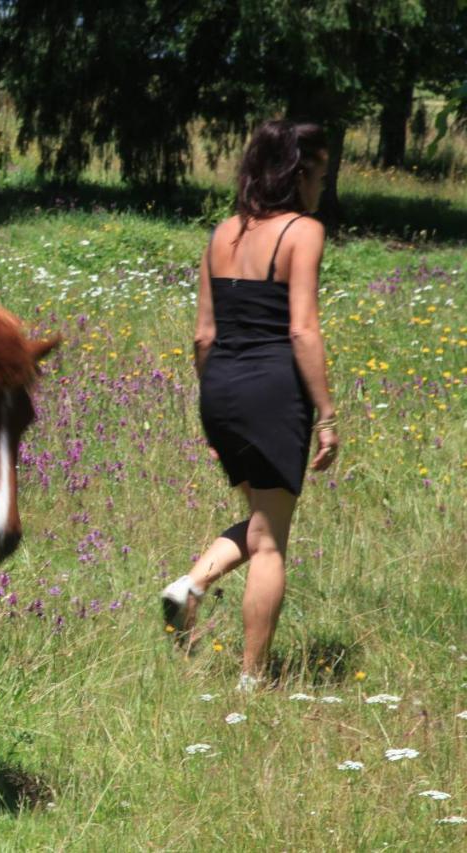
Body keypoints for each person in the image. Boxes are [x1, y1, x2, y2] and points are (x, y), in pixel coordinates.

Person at [161, 119, 340, 692]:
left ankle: (189, 588)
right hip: (274, 391)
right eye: (320, 174)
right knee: (271, 543)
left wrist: (216, 398)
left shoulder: (223, 233)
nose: (321, 186)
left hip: (221, 390)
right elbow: (303, 331)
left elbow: (203, 337)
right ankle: (251, 681)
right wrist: (329, 416)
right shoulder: (303, 232)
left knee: (263, 519)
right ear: (298, 172)